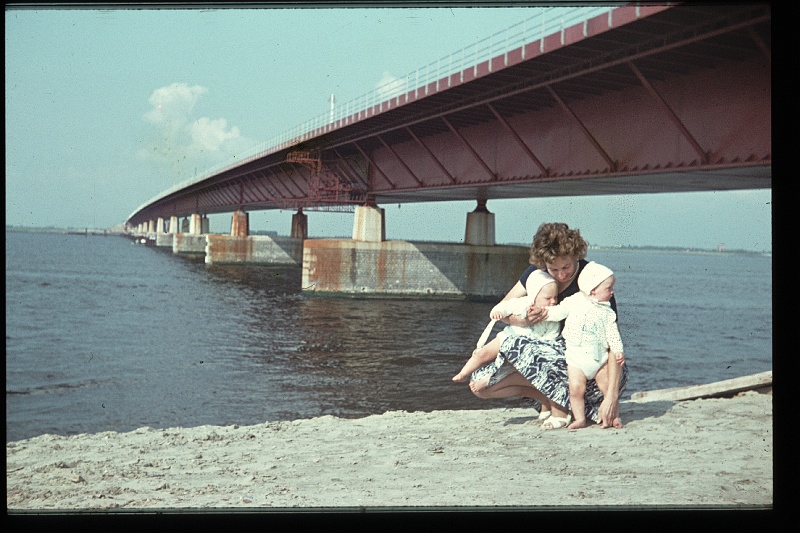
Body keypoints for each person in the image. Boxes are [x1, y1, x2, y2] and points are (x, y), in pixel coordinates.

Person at [467, 222, 627, 430]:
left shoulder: (593, 280)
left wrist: (612, 397)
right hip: (548, 357)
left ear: (577, 256)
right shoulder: (536, 274)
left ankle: (562, 407)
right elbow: (501, 310)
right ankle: (548, 397)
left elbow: (613, 343)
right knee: (481, 386)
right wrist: (523, 320)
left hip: (587, 360)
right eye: (553, 269)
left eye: (566, 267)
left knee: (519, 346)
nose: (561, 275)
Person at [540, 261, 625, 429]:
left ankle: (614, 416)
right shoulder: (574, 301)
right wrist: (543, 312)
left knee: (607, 386)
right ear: (593, 290)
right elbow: (557, 312)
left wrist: (618, 350)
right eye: (608, 288)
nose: (612, 292)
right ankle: (579, 419)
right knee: (575, 389)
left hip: (599, 359)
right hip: (576, 359)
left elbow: (613, 333)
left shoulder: (607, 312)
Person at [451, 270, 559, 384]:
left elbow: (552, 334)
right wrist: (498, 312)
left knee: (511, 367)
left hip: (528, 345)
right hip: (509, 336)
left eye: (555, 297)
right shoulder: (523, 302)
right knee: (483, 353)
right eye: (548, 298)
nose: (553, 301)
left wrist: (543, 344)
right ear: (534, 295)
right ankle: (464, 373)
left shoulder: (552, 315)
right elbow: (505, 306)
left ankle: (492, 377)